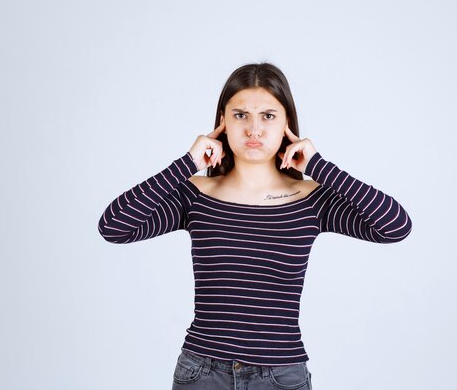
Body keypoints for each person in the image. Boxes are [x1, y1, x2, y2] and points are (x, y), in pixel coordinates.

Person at [98, 62, 412, 389]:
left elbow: (395, 226)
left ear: (286, 122)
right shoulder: (196, 194)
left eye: (268, 116)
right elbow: (114, 226)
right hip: (202, 373)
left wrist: (319, 166)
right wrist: (187, 163)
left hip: (280, 375)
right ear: (223, 121)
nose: (254, 130)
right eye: (240, 115)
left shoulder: (311, 199)